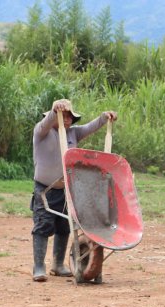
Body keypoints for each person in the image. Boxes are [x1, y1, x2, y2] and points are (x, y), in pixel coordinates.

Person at [31, 99, 118, 282]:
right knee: (43, 225)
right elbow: (46, 123)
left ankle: (58, 264)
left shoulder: (73, 133)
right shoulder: (42, 132)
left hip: (67, 189)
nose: (68, 118)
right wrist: (56, 111)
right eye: (65, 115)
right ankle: (39, 266)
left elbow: (91, 127)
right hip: (45, 189)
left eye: (70, 115)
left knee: (65, 226)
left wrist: (104, 117)